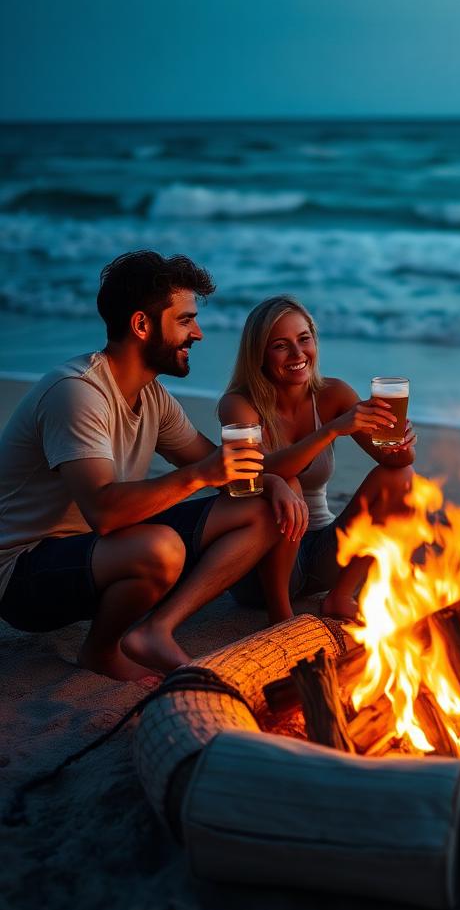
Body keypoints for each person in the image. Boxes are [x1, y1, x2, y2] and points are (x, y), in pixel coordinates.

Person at [0, 251, 302, 679]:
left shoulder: (154, 398)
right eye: (184, 320)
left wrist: (274, 481)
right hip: (23, 574)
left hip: (101, 554)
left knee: (260, 506)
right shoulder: (78, 393)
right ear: (142, 325)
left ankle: (158, 629)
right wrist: (204, 473)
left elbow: (215, 466)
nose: (197, 333)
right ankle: (101, 651)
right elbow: (104, 512)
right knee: (160, 548)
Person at [217, 296, 416, 624]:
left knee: (402, 478)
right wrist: (332, 430)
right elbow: (259, 474)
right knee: (287, 483)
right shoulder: (238, 405)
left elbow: (395, 464)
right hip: (260, 571)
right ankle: (281, 617)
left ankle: (340, 597)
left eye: (304, 339)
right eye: (281, 345)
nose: (297, 355)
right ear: (259, 354)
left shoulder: (333, 394)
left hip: (321, 554)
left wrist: (403, 444)